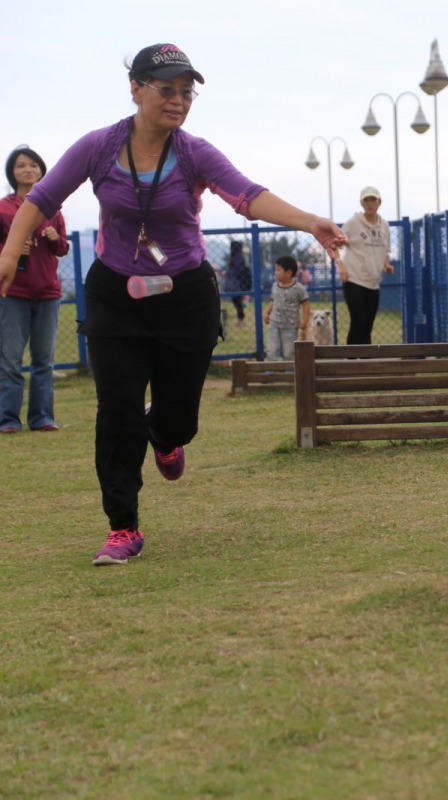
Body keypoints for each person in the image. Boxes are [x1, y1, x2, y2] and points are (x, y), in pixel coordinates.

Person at [0, 44, 346, 565]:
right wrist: (9, 251)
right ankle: (123, 527)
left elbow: (246, 195)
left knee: (179, 418)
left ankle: (164, 433)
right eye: (166, 89)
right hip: (115, 294)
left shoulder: (193, 152)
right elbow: (42, 200)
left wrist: (308, 221)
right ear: (136, 89)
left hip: (184, 295)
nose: (178, 100)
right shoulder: (97, 147)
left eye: (187, 91)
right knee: (115, 412)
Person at [0, 146, 70, 433]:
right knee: (10, 359)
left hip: (48, 293)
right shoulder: (3, 209)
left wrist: (55, 239)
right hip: (13, 292)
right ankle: (7, 419)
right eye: (21, 166)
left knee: (44, 360)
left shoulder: (53, 208)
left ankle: (42, 418)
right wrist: (10, 249)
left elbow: (63, 248)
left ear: (42, 171)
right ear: (12, 173)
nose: (27, 170)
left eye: (33, 165)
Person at [337, 186, 393, 344]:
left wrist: (386, 264)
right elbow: (335, 245)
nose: (370, 203)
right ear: (361, 203)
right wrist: (341, 266)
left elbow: (386, 250)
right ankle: (352, 361)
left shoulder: (384, 226)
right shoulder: (353, 223)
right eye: (366, 200)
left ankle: (367, 362)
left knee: (368, 323)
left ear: (379, 202)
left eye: (373, 199)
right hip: (354, 278)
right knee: (358, 320)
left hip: (373, 281)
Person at [263, 255, 310, 360]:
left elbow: (306, 304)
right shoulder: (275, 286)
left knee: (289, 352)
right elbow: (273, 301)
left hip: (290, 327)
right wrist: (266, 312)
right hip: (274, 324)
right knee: (271, 349)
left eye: (278, 270)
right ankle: (271, 369)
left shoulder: (299, 288)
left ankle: (290, 371)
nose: (275, 272)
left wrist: (305, 321)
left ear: (288, 273)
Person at [221, 240, 251, 328]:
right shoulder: (238, 257)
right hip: (239, 283)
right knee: (238, 302)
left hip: (237, 284)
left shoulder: (238, 257)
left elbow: (238, 271)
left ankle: (241, 321)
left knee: (237, 302)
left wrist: (227, 273)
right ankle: (240, 320)